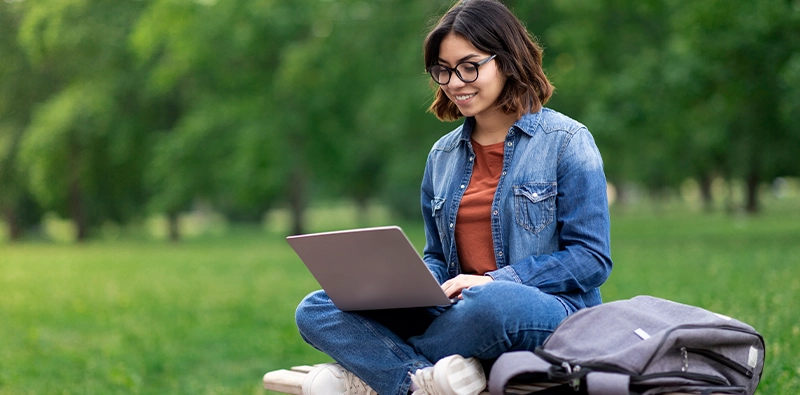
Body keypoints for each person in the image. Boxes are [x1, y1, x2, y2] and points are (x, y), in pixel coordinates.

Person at [294, 1, 612, 394]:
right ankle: (420, 380)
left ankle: (376, 372)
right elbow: (439, 258)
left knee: (494, 305)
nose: (455, 82)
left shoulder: (567, 142)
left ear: (507, 60)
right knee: (317, 309)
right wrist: (410, 286)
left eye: (469, 66)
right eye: (443, 70)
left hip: (546, 311)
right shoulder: (442, 156)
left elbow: (591, 259)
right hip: (457, 311)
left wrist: (495, 281)